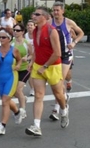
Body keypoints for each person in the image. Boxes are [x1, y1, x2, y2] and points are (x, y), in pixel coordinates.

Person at [25, 7, 69, 137]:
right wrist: (32, 62)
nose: (34, 16)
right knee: (39, 95)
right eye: (34, 14)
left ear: (44, 17)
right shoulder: (34, 30)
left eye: (37, 14)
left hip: (53, 66)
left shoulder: (52, 31)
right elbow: (36, 50)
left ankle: (63, 110)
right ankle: (36, 126)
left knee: (58, 94)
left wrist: (45, 66)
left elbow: (58, 53)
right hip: (39, 66)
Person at [50, 1, 84, 120]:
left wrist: (74, 42)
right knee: (56, 83)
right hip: (54, 55)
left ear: (63, 11)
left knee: (59, 81)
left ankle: (56, 108)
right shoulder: (50, 23)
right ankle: (63, 98)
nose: (55, 12)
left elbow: (81, 33)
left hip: (66, 55)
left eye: (57, 10)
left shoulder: (68, 22)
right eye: (54, 10)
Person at [0, 28, 23, 135]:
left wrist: (17, 65)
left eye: (3, 37)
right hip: (0, 78)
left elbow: (20, 60)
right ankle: (17, 112)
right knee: (6, 100)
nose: (1, 39)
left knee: (4, 101)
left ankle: (2, 126)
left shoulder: (14, 50)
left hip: (11, 78)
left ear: (9, 38)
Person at [11, 23, 32, 119]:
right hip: (14, 69)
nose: (15, 32)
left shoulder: (26, 43)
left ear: (23, 32)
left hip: (25, 69)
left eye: (18, 30)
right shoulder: (11, 42)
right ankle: (23, 98)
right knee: (15, 92)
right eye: (14, 30)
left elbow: (32, 55)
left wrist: (26, 58)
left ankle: (22, 110)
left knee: (18, 90)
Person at [25, 20, 35, 96]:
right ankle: (32, 89)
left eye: (31, 25)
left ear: (34, 26)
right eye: (28, 25)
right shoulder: (25, 36)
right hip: (29, 56)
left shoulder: (37, 35)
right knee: (30, 74)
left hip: (38, 56)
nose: (29, 26)